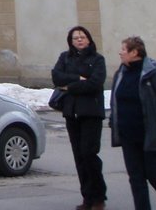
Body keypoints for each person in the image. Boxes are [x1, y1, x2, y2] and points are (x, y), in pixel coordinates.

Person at [110, 36, 156, 210]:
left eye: (123, 49)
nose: (120, 52)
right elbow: (116, 100)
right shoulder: (121, 73)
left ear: (135, 52)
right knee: (136, 179)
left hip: (153, 137)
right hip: (129, 137)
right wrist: (115, 122)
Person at [52, 25, 108, 210]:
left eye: (82, 37)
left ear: (89, 39)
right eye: (75, 38)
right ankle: (87, 198)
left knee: (89, 154)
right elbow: (57, 76)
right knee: (79, 157)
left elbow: (95, 84)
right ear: (71, 41)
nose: (79, 40)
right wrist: (78, 79)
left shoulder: (97, 59)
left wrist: (71, 86)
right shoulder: (65, 57)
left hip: (91, 113)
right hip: (72, 113)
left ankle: (99, 196)